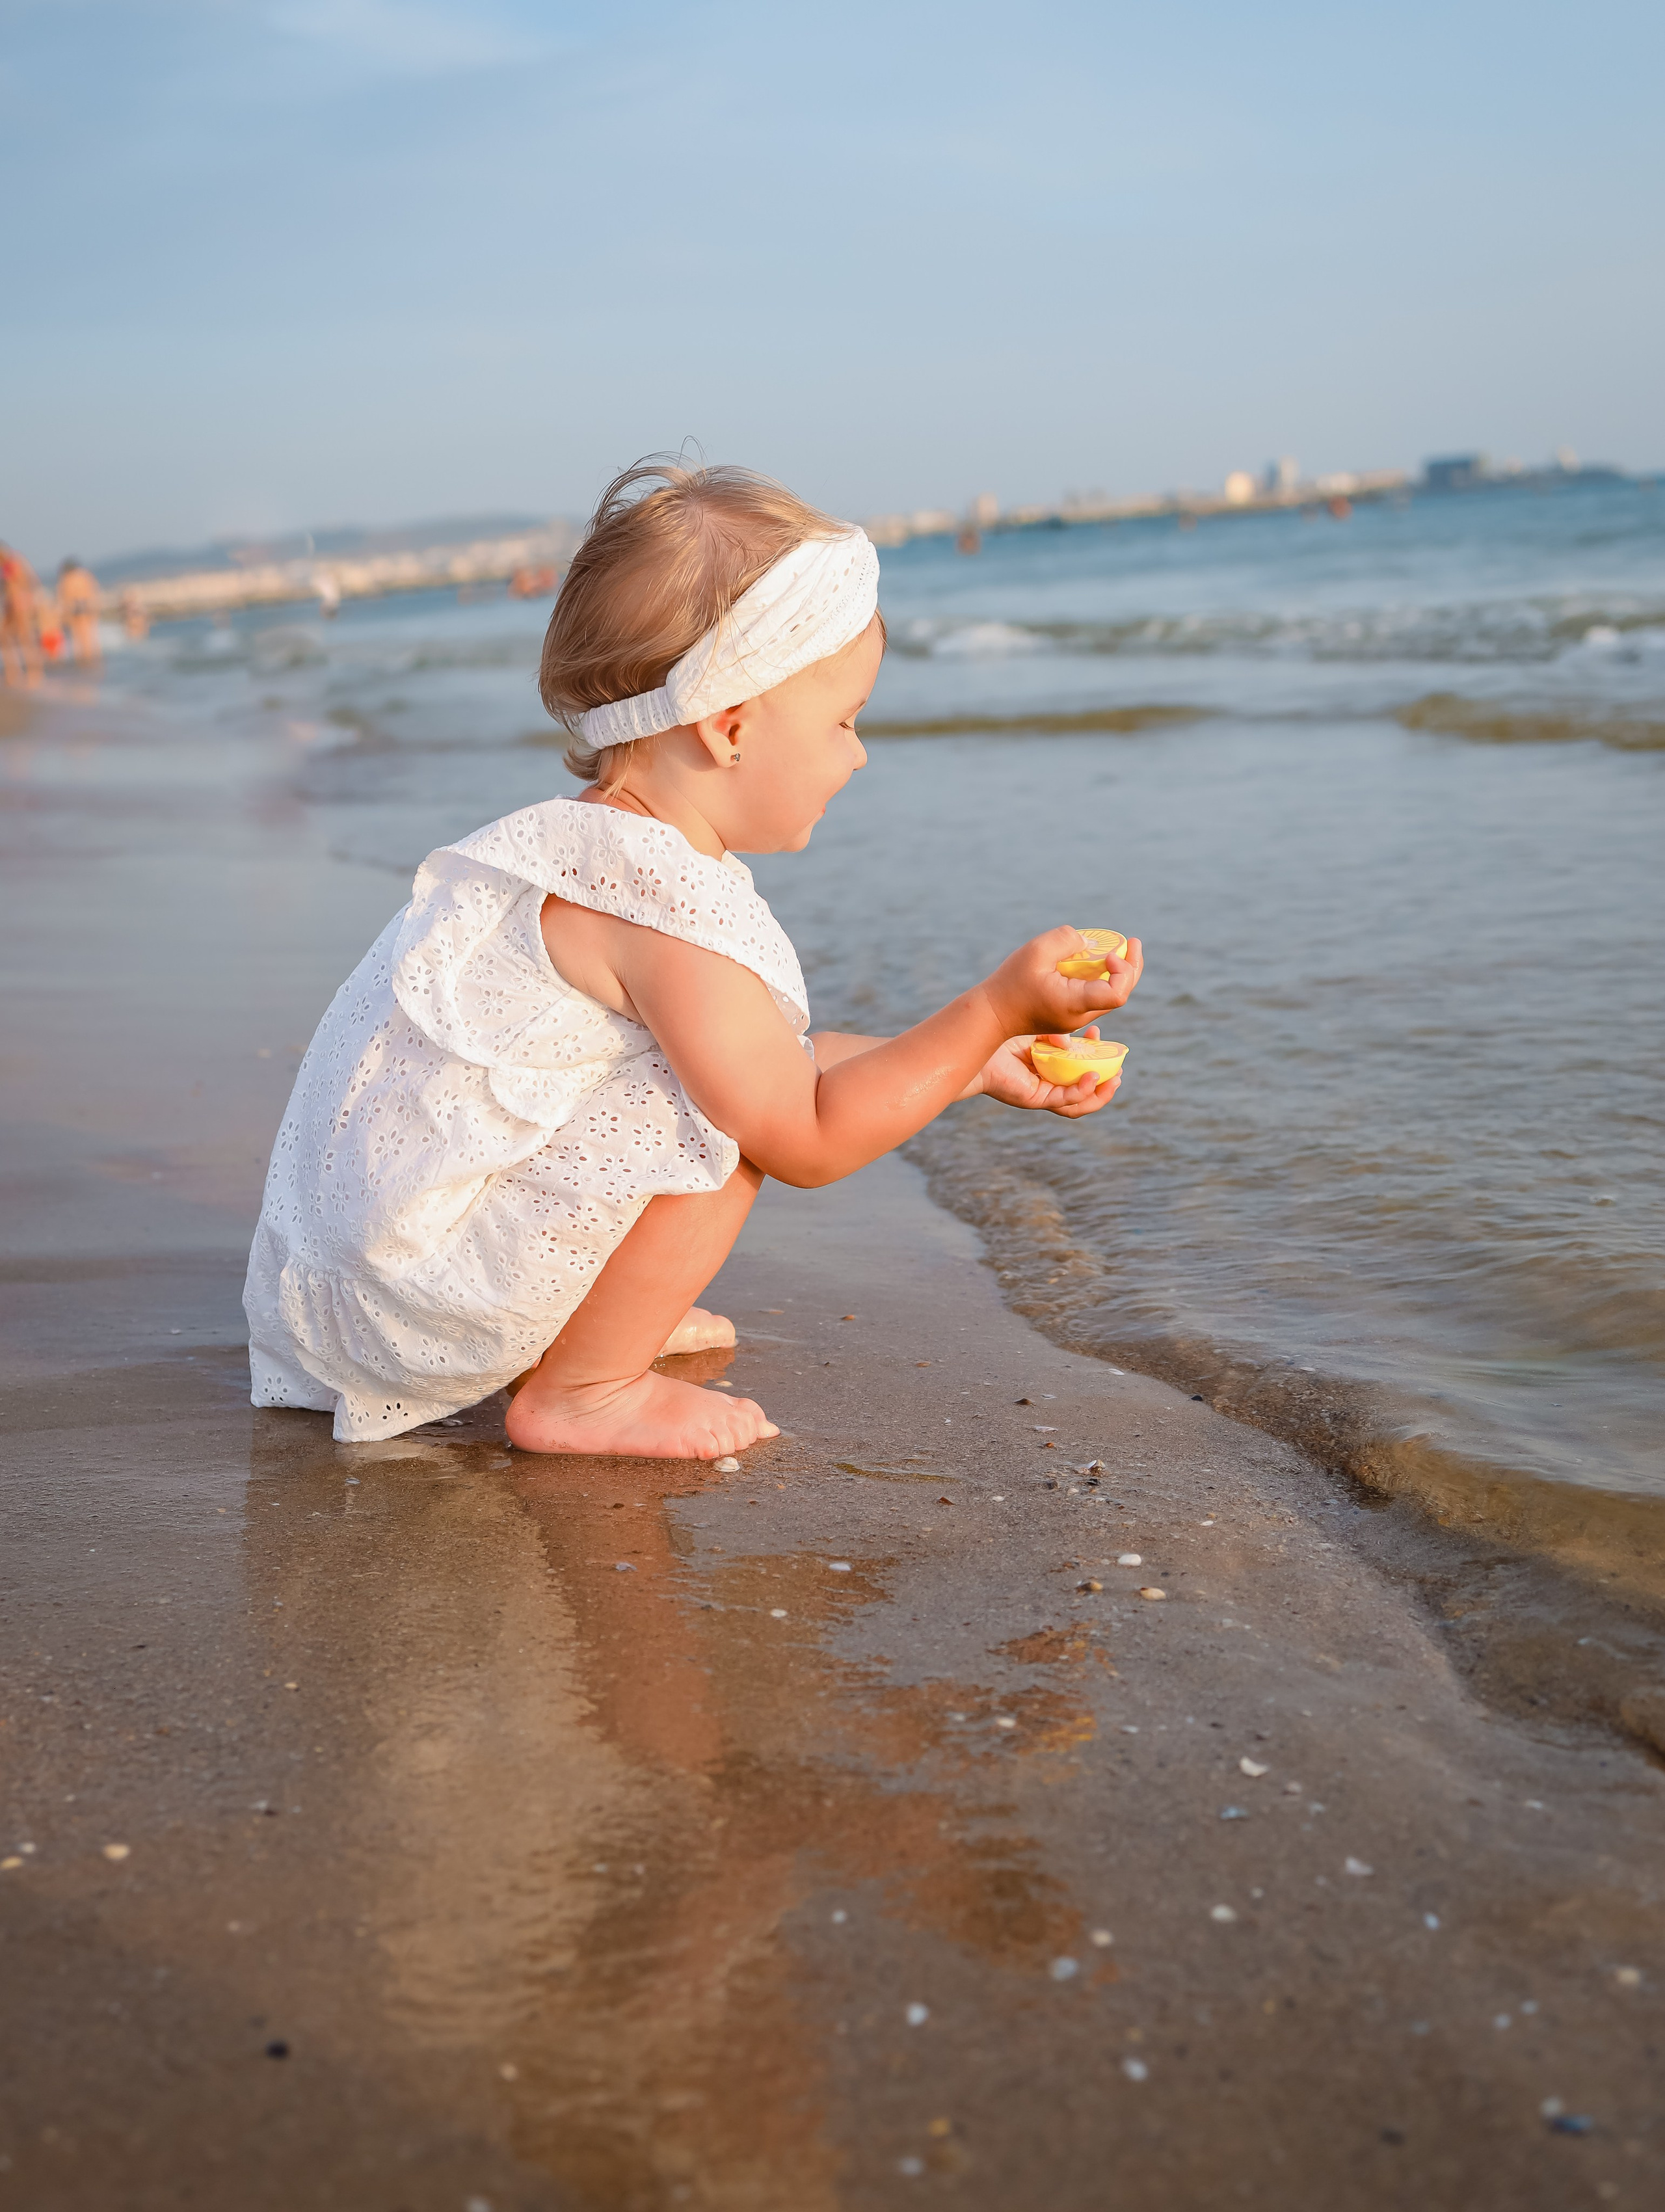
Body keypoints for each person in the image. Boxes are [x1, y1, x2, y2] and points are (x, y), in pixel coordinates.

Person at [244, 460, 1143, 1458]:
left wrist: (971, 1066)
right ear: (729, 727)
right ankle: (586, 1389)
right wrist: (994, 1008)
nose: (859, 753)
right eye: (844, 720)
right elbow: (801, 1132)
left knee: (725, 1080)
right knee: (722, 1115)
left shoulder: (585, 848)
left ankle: (592, 1327)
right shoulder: (657, 906)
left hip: (371, 1277)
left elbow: (772, 1054)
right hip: (415, 1307)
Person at [0, 543, 44, 687]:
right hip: (12, 603)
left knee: (26, 637)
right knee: (5, 636)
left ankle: (34, 672)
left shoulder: (14, 561)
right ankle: (14, 671)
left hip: (19, 601)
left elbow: (29, 581)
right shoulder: (9, 563)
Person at [57, 560, 103, 668]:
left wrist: (64, 615)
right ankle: (93, 660)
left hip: (74, 606)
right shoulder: (85, 576)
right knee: (91, 635)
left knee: (78, 637)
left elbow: (63, 598)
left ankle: (84, 662)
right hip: (86, 604)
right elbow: (94, 591)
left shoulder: (66, 579)